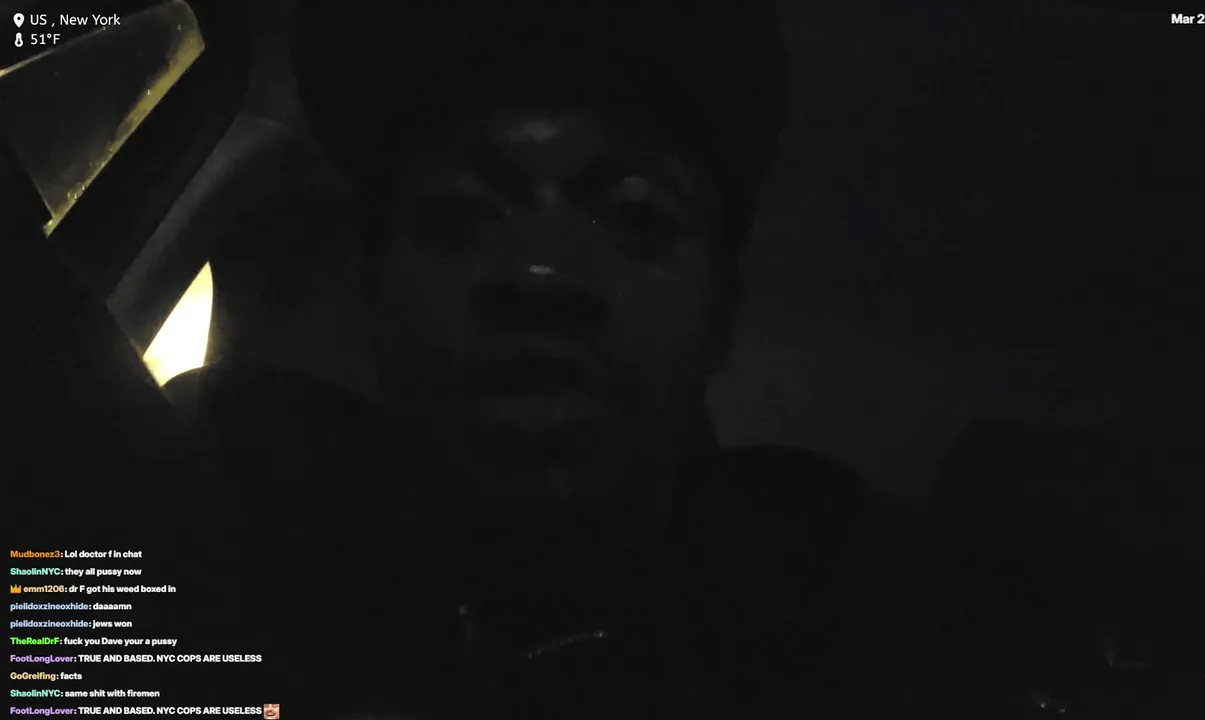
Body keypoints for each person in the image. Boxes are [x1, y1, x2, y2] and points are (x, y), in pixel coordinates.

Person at [174, 1, 933, 717]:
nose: (540, 271)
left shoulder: (853, 604)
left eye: (636, 214)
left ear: (721, 316)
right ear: (373, 290)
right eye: (459, 212)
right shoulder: (205, 511)